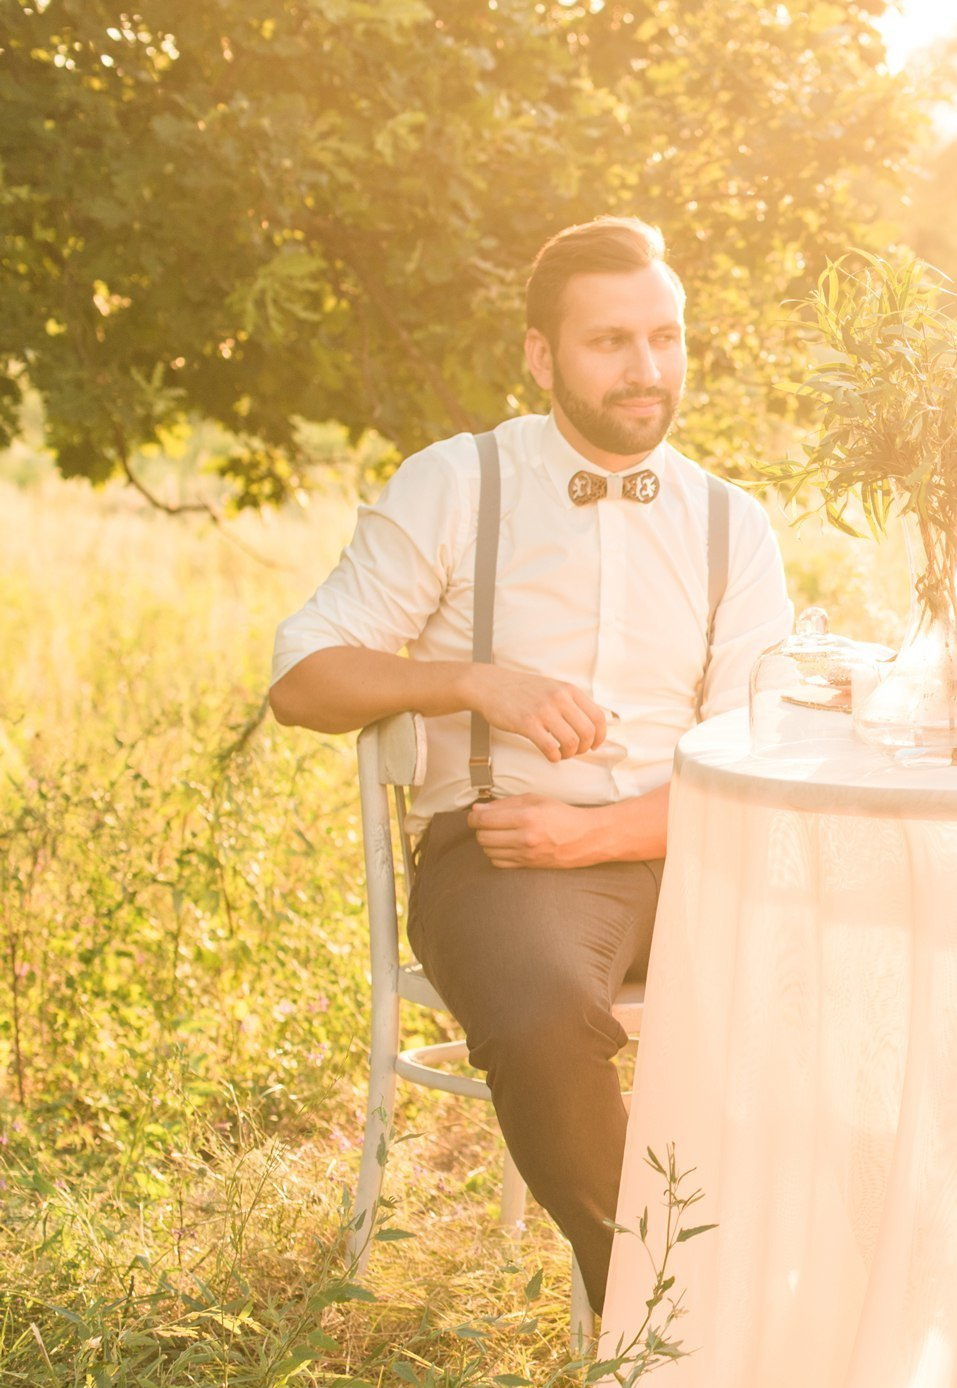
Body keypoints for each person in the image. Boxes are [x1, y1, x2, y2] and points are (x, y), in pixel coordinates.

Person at [269, 217, 793, 1316]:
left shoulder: (731, 525)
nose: (647, 369)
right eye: (610, 342)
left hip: (691, 846)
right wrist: (471, 683)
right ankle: (668, 1323)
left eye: (665, 337)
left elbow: (757, 759)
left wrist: (602, 833)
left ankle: (830, 1296)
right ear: (541, 357)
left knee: (881, 965)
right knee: (546, 1012)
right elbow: (305, 681)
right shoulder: (458, 485)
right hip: (503, 859)